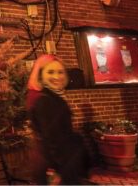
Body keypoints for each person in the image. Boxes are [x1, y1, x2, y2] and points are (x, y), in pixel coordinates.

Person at [26, 54, 90, 185]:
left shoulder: (51, 97)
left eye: (60, 72)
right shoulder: (45, 100)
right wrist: (56, 170)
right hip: (59, 166)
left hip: (63, 163)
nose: (56, 76)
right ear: (40, 76)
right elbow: (51, 139)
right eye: (50, 72)